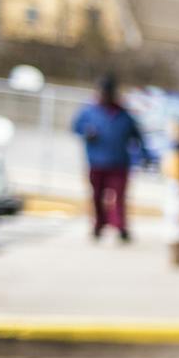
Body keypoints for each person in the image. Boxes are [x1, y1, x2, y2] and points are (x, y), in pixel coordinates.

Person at [72, 75, 145, 242]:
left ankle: (120, 226)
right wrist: (86, 133)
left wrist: (143, 155)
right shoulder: (89, 111)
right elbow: (76, 127)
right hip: (96, 162)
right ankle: (99, 225)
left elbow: (137, 136)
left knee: (119, 196)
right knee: (97, 196)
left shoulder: (123, 113)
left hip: (119, 163)